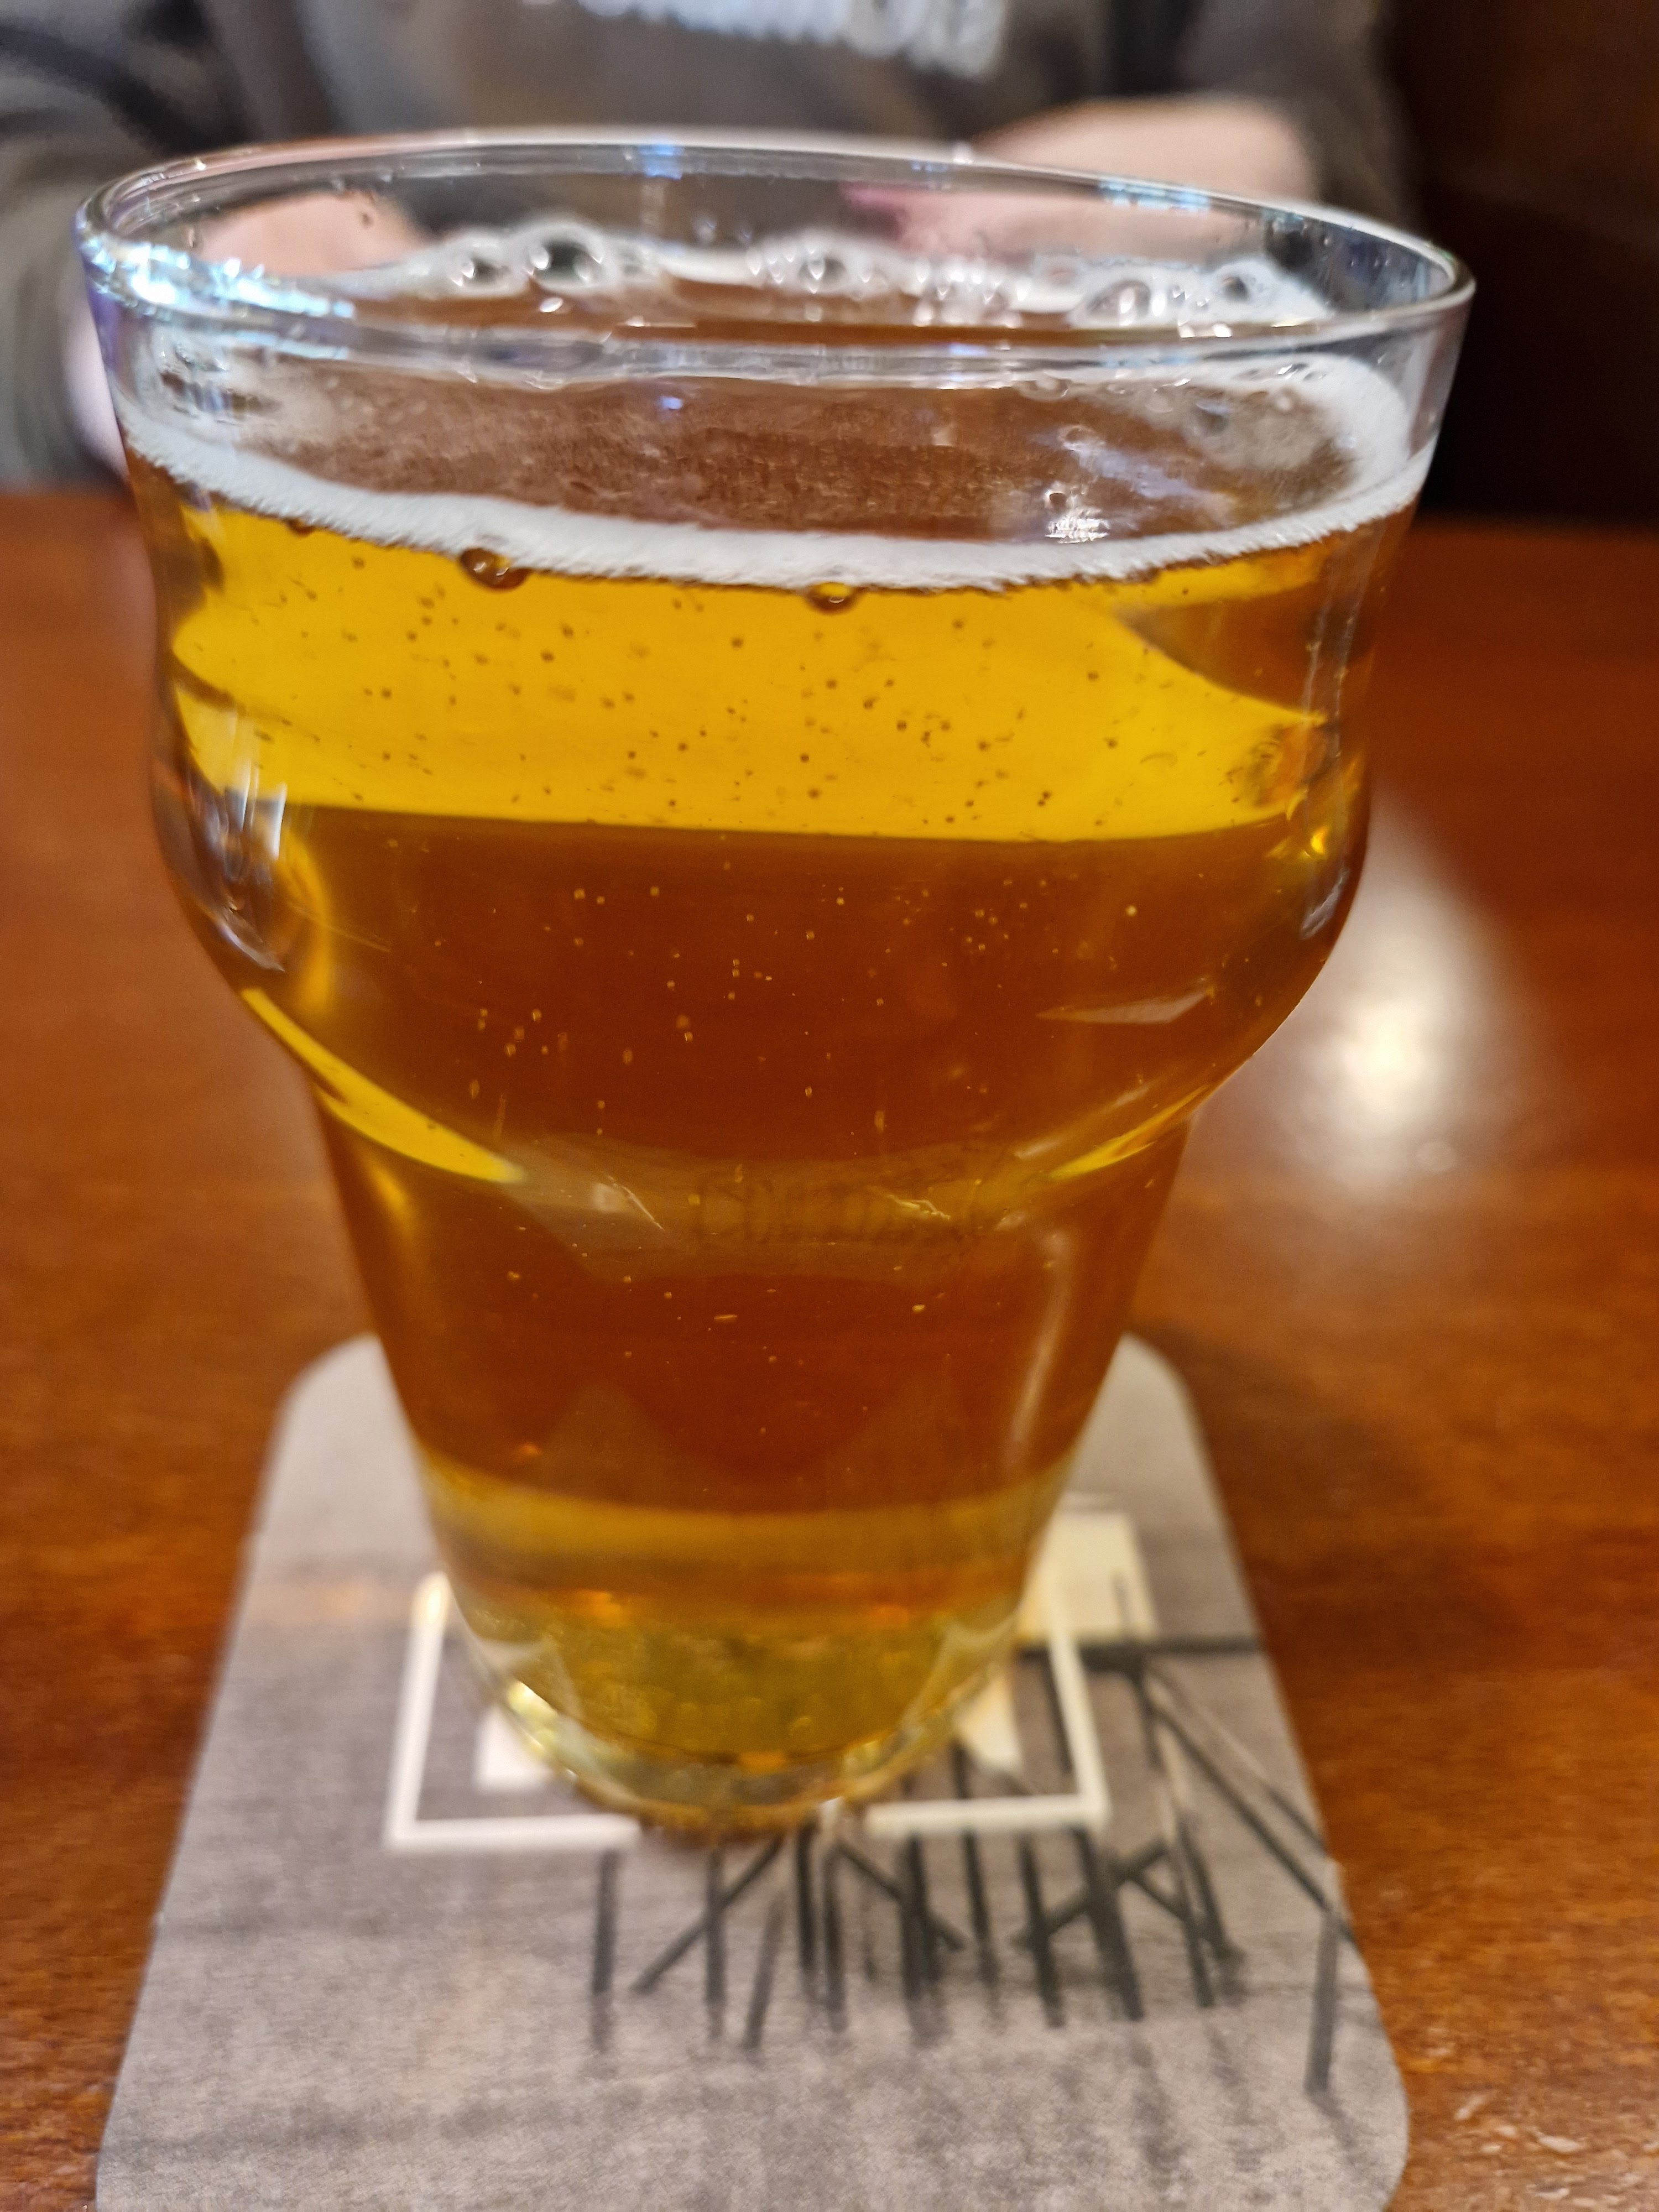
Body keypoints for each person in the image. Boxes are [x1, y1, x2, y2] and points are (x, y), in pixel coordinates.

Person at [0, 0, 1406, 483]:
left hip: (1013, 495)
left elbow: (1339, 180)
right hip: (355, 506)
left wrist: (1264, 182)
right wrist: (122, 321)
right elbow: (34, 138)